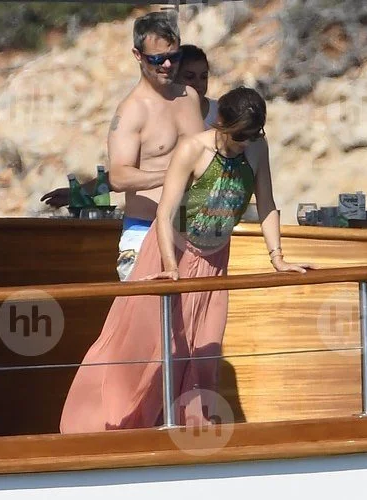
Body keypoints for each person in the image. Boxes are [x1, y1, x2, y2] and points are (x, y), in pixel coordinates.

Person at [59, 86, 315, 434]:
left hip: (214, 260)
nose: (244, 143)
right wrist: (171, 268)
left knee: (203, 351)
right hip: (170, 253)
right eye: (239, 136)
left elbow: (267, 203)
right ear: (221, 123)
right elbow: (164, 214)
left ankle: (190, 431)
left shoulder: (257, 147)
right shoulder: (192, 150)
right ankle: (110, 426)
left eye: (252, 136)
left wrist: (278, 258)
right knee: (150, 350)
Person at [40, 11, 204, 280]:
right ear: (138, 55)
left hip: (191, 230)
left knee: (193, 320)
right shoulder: (131, 111)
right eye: (156, 59)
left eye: (173, 57)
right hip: (145, 231)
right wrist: (175, 175)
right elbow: (119, 175)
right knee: (145, 320)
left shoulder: (190, 98)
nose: (166, 64)